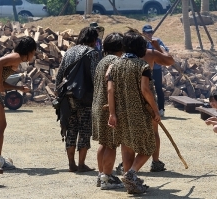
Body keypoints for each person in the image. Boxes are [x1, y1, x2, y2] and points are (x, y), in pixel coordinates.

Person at [107, 31, 160, 194]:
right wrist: (155, 110)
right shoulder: (142, 66)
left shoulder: (114, 66)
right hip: (139, 113)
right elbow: (145, 90)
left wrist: (112, 113)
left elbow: (110, 90)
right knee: (148, 145)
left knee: (127, 147)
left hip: (121, 113)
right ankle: (131, 174)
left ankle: (130, 182)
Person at [115, 35, 175, 173]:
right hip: (145, 93)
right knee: (153, 130)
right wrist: (158, 47)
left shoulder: (120, 58)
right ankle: (154, 161)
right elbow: (170, 60)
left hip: (126, 94)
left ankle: (128, 164)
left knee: (128, 130)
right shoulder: (149, 53)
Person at [0, 36, 34, 170]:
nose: (33, 55)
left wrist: (18, 88)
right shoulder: (17, 57)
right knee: (0, 125)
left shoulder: (15, 58)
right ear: (28, 51)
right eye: (33, 52)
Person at [55, 27, 99, 172]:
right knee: (85, 130)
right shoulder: (92, 53)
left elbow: (59, 74)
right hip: (85, 97)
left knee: (71, 129)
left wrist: (59, 93)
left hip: (67, 96)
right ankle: (81, 164)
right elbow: (94, 76)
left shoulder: (69, 51)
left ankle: (71, 164)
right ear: (93, 39)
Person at [92, 32, 124, 190]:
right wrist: (113, 112)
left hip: (98, 106)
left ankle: (102, 175)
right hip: (108, 107)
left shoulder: (102, 61)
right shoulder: (116, 61)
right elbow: (111, 89)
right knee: (111, 144)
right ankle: (107, 177)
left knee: (103, 143)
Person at [142, 24, 168, 117]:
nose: (149, 34)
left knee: (158, 88)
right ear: (143, 33)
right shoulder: (140, 42)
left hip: (156, 69)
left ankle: (161, 109)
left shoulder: (157, 41)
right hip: (144, 70)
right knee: (145, 88)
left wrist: (157, 48)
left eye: (151, 32)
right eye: (147, 32)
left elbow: (165, 51)